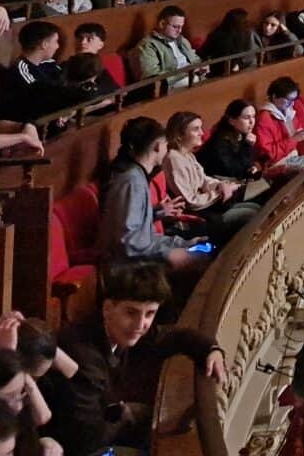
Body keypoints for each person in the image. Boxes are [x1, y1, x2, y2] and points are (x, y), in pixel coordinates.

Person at [50, 263, 224, 456]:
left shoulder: (119, 329)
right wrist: (131, 415)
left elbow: (171, 336)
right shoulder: (83, 354)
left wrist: (210, 349)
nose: (141, 325)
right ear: (108, 308)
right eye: (131, 312)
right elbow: (86, 438)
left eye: (150, 313)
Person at [97, 116, 212, 271]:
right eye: (165, 144)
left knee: (206, 248)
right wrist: (170, 253)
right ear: (158, 146)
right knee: (205, 262)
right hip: (128, 268)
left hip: (143, 255)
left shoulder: (137, 176)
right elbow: (129, 245)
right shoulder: (131, 181)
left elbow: (143, 237)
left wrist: (185, 243)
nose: (167, 148)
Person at [162, 112, 258, 243]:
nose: (202, 133)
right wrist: (218, 192)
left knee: (254, 207)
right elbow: (191, 202)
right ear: (179, 135)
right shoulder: (173, 159)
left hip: (208, 206)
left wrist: (220, 185)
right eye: (196, 129)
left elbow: (203, 179)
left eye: (201, 128)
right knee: (251, 214)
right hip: (197, 216)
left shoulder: (187, 154)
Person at [134, 6, 202, 89]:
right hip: (171, 87)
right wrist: (186, 73)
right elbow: (151, 76)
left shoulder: (182, 40)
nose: (179, 31)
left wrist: (202, 67)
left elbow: (196, 60)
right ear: (162, 24)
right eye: (175, 27)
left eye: (181, 27)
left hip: (193, 79)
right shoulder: (148, 45)